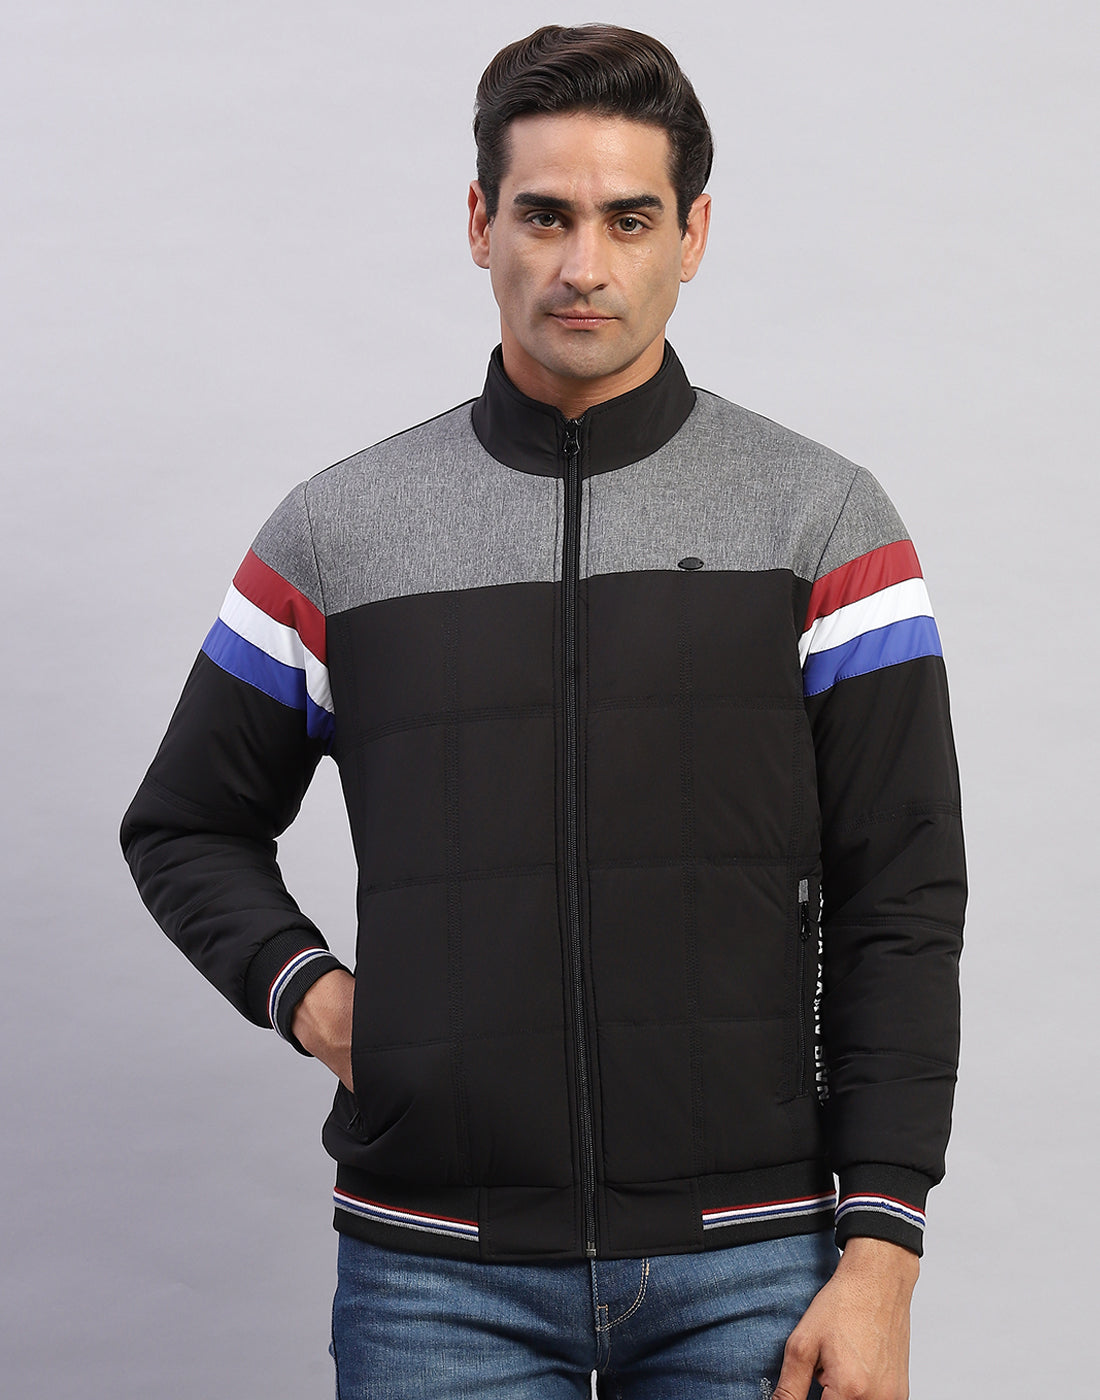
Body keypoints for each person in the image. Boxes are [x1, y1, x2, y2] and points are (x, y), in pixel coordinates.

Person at [121, 23, 965, 1400]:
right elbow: (185, 825)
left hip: (752, 1265)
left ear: (693, 235)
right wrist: (319, 1002)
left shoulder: (822, 524)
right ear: (480, 224)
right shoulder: (342, 532)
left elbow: (903, 896)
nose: (585, 265)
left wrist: (880, 1259)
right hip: (436, 1274)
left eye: (630, 219)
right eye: (545, 216)